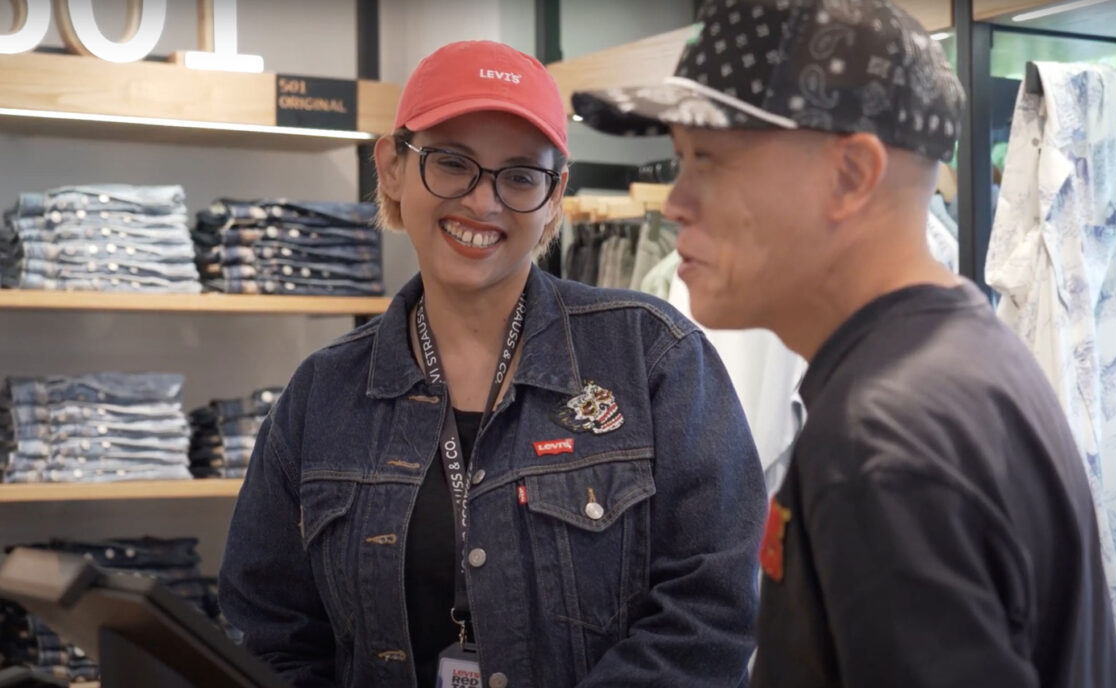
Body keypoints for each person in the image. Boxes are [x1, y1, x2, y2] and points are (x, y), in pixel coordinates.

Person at [573, 0, 1116, 686]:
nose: (675, 203)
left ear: (850, 176)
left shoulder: (883, 441)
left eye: (708, 162)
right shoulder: (956, 364)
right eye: (679, 162)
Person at [219, 40, 766, 688]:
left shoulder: (653, 358)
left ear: (555, 195)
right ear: (392, 166)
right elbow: (269, 633)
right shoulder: (324, 395)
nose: (483, 203)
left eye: (519, 175)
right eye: (451, 163)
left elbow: (712, 611)